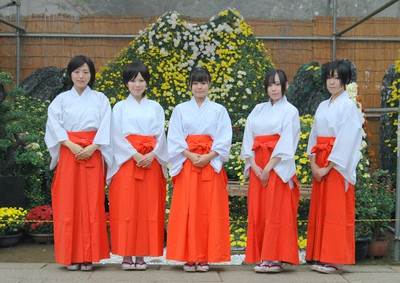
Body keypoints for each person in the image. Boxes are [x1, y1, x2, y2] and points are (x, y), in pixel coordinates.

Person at [44, 55, 112, 271]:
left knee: (92, 203)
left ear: (91, 75)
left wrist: (94, 147)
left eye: (85, 72)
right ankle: (71, 256)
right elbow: (54, 125)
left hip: (93, 151)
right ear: (70, 74)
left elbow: (106, 125)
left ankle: (89, 255)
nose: (81, 76)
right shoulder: (61, 100)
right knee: (68, 203)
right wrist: (70, 144)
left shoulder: (100, 99)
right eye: (77, 72)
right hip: (68, 152)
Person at [166, 66, 232, 272]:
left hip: (210, 164)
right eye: (196, 83)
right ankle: (189, 256)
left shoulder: (219, 110)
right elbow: (175, 137)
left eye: (203, 82)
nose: (199, 87)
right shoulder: (180, 109)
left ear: (209, 85)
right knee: (188, 209)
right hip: (188, 164)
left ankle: (205, 256)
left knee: (208, 211)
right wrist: (190, 155)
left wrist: (210, 156)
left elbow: (224, 137)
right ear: (190, 86)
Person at [107, 62, 168, 271]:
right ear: (126, 83)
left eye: (141, 80)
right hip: (127, 162)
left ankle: (142, 254)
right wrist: (133, 153)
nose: (137, 84)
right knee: (126, 207)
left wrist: (152, 154)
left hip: (150, 161)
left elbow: (161, 135)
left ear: (147, 83)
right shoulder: (120, 107)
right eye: (133, 80)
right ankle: (125, 254)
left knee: (147, 208)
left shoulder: (156, 107)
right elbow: (115, 134)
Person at [241, 69, 301, 273]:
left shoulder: (290, 111)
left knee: (277, 211)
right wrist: (255, 165)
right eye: (270, 85)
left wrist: (268, 167)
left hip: (277, 166)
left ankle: (275, 257)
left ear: (286, 86)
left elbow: (287, 142)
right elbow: (248, 139)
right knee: (259, 210)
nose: (273, 88)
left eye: (277, 84)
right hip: (258, 164)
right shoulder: (258, 109)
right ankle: (262, 256)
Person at [306, 60, 363, 274]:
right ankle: (321, 255)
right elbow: (313, 135)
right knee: (322, 209)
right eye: (329, 77)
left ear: (345, 81)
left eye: (337, 78)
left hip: (336, 165)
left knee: (335, 211)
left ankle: (335, 258)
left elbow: (347, 141)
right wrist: (313, 162)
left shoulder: (348, 106)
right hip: (320, 159)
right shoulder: (323, 105)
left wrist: (328, 167)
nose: (332, 82)